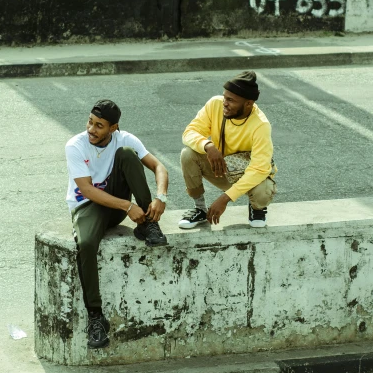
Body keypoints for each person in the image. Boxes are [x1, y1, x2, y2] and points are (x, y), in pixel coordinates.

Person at [65, 100, 169, 349]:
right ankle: (95, 317)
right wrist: (127, 206)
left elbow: (159, 166)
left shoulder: (125, 139)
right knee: (87, 244)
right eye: (90, 122)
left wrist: (160, 197)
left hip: (117, 204)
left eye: (99, 125)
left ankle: (148, 225)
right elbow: (88, 190)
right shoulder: (75, 146)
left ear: (113, 127)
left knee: (127, 156)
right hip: (87, 206)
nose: (91, 129)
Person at [178, 71, 276, 229]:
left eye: (231, 100)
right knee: (188, 154)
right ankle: (200, 209)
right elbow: (189, 132)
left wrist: (224, 199)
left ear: (248, 104)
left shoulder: (261, 125)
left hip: (247, 174)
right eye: (225, 97)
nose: (225, 103)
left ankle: (257, 207)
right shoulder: (215, 104)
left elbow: (259, 168)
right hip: (221, 168)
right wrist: (208, 146)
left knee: (263, 192)